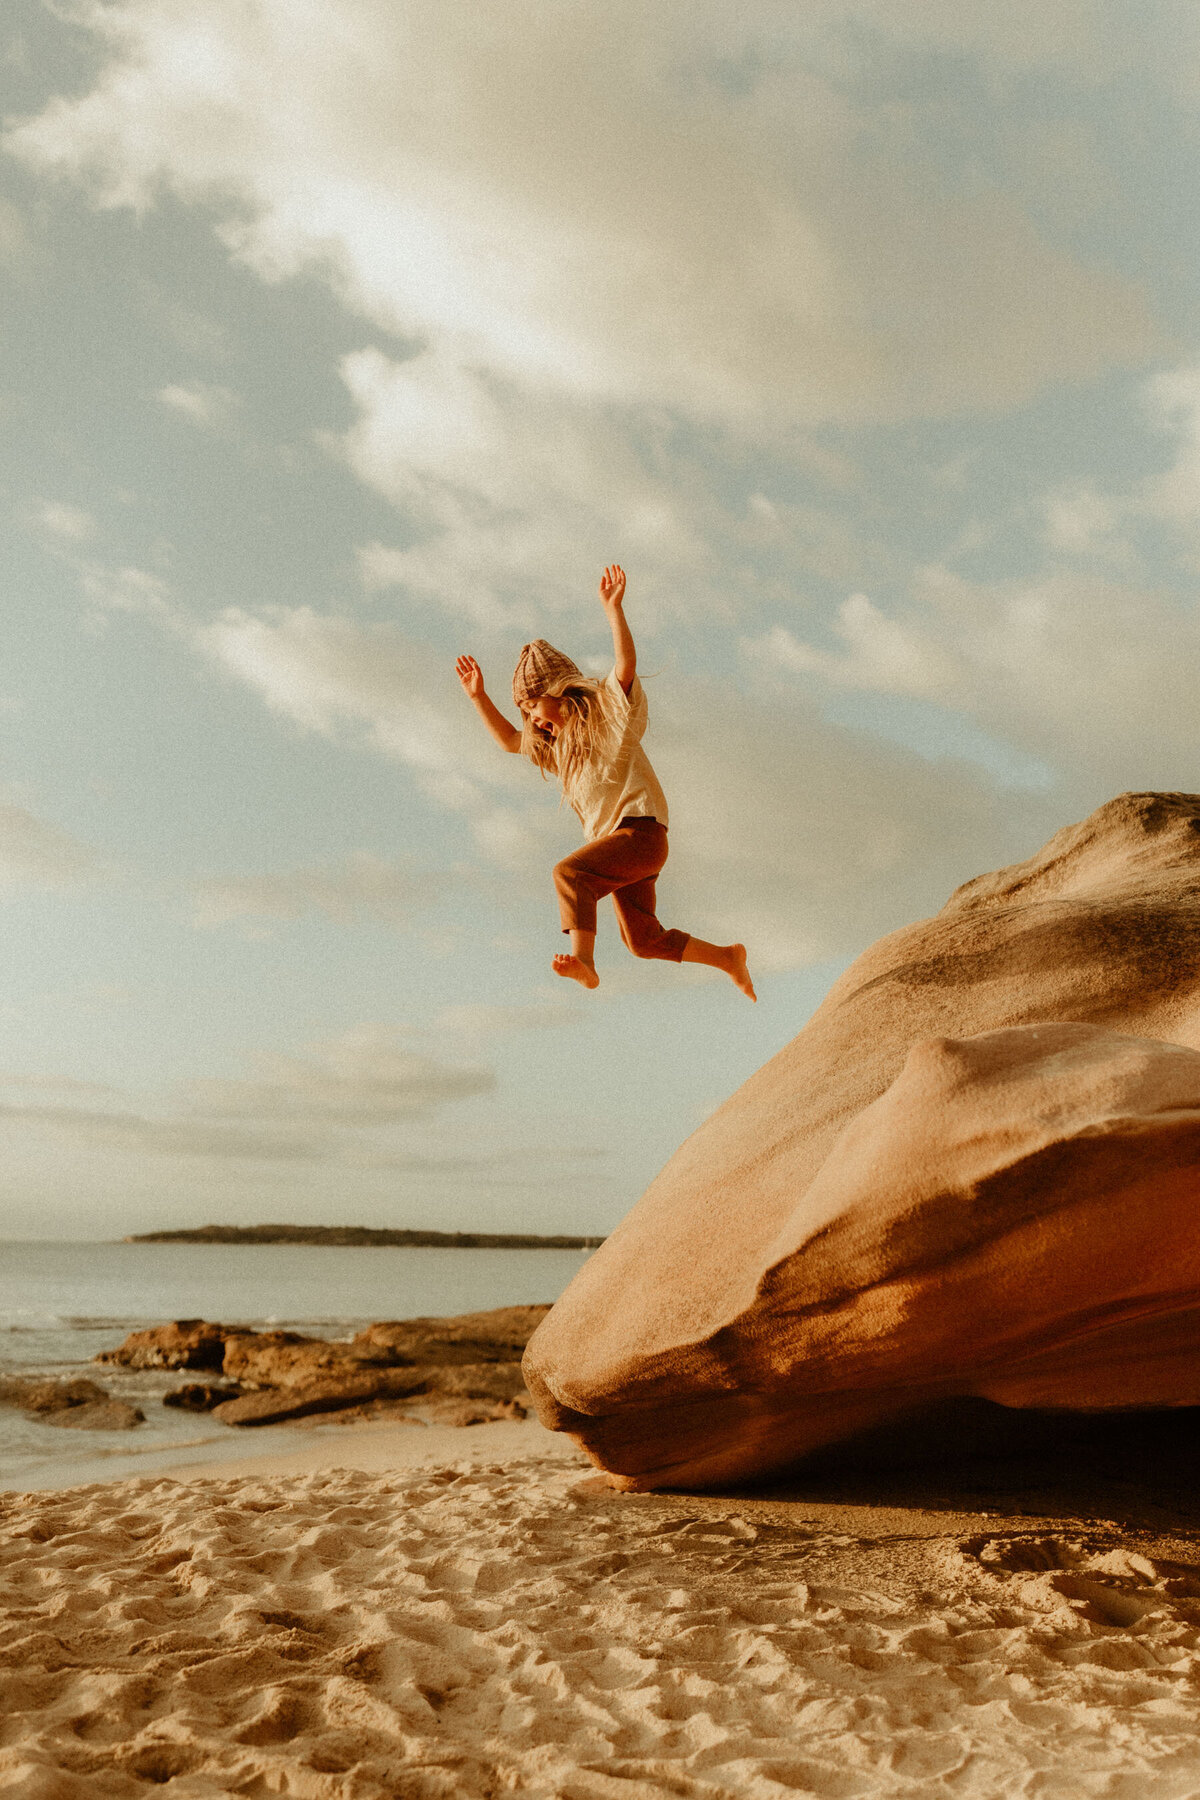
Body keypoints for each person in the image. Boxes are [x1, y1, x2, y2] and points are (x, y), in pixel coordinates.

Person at [455, 565, 756, 998]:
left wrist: (614, 610)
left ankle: (585, 961)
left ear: (560, 692)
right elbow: (507, 741)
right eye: (526, 712)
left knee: (569, 873)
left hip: (640, 834)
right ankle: (729, 958)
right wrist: (478, 697)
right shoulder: (561, 751)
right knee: (643, 941)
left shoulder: (609, 719)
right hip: (622, 849)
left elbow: (626, 665)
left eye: (534, 705)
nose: (533, 718)